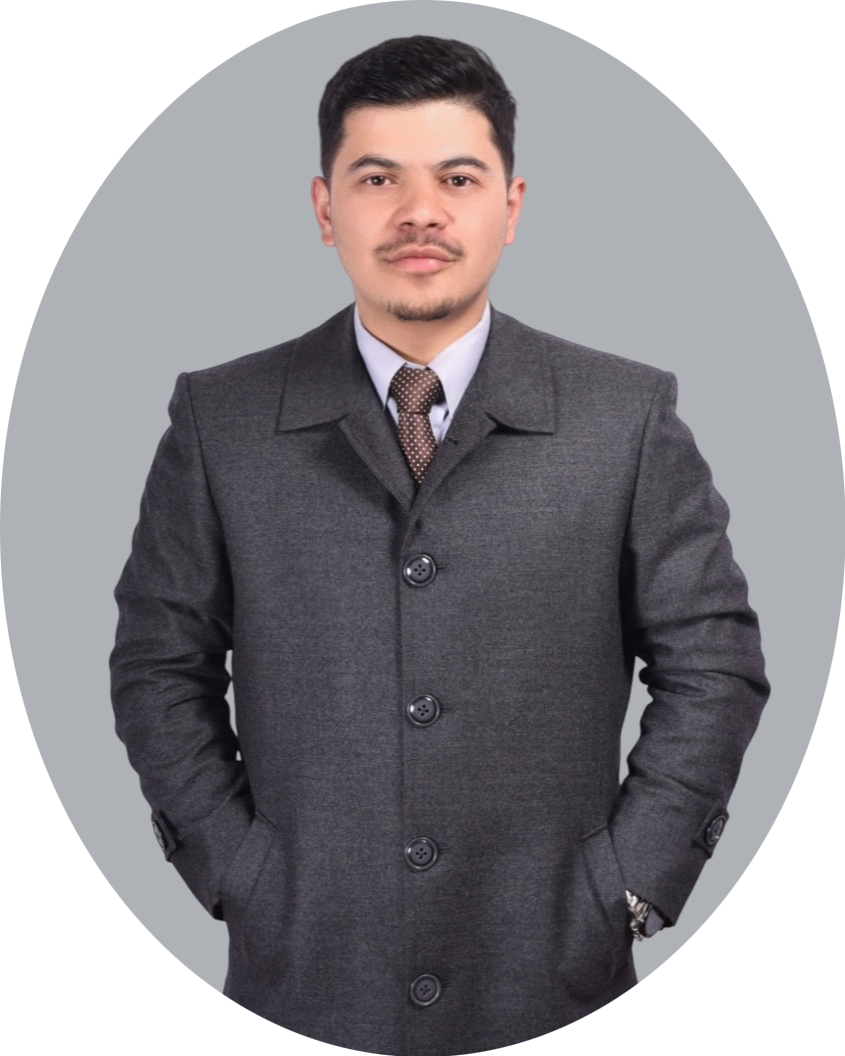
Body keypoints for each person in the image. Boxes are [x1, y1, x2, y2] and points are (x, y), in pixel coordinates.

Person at [110, 35, 769, 1052]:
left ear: (510, 204)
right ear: (324, 208)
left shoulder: (623, 416)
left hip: (554, 973)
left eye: (457, 178)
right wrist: (236, 870)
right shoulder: (221, 419)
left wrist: (633, 878)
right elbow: (158, 665)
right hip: (305, 976)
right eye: (377, 178)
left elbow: (713, 663)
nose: (418, 211)